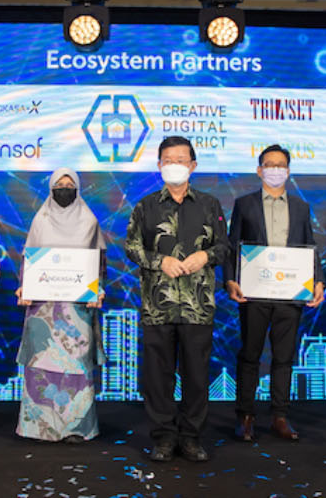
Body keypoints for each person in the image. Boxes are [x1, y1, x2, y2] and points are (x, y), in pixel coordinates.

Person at [125, 136, 230, 462]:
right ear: (159, 166)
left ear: (193, 166)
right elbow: (131, 247)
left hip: (198, 306)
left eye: (181, 159)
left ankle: (191, 437)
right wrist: (160, 262)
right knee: (158, 377)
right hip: (158, 305)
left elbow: (226, 247)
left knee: (197, 375)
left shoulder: (210, 205)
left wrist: (205, 256)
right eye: (168, 159)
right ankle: (163, 438)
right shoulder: (145, 206)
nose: (175, 164)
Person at [225, 145, 325, 442]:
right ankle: (245, 416)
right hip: (254, 292)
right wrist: (230, 280)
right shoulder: (244, 204)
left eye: (281, 165)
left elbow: (310, 246)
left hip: (290, 292)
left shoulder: (300, 206)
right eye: (269, 164)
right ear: (259, 170)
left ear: (289, 171)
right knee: (250, 355)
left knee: (284, 357)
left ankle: (280, 416)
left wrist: (317, 281)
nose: (275, 169)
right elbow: (233, 247)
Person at [15, 168, 105, 443]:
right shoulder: (40, 220)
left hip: (76, 308)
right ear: (51, 188)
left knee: (74, 366)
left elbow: (98, 261)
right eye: (59, 184)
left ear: (78, 188)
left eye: (70, 184)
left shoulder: (89, 220)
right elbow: (29, 259)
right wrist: (24, 287)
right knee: (42, 364)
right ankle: (38, 427)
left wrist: (98, 289)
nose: (64, 189)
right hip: (43, 306)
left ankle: (76, 428)